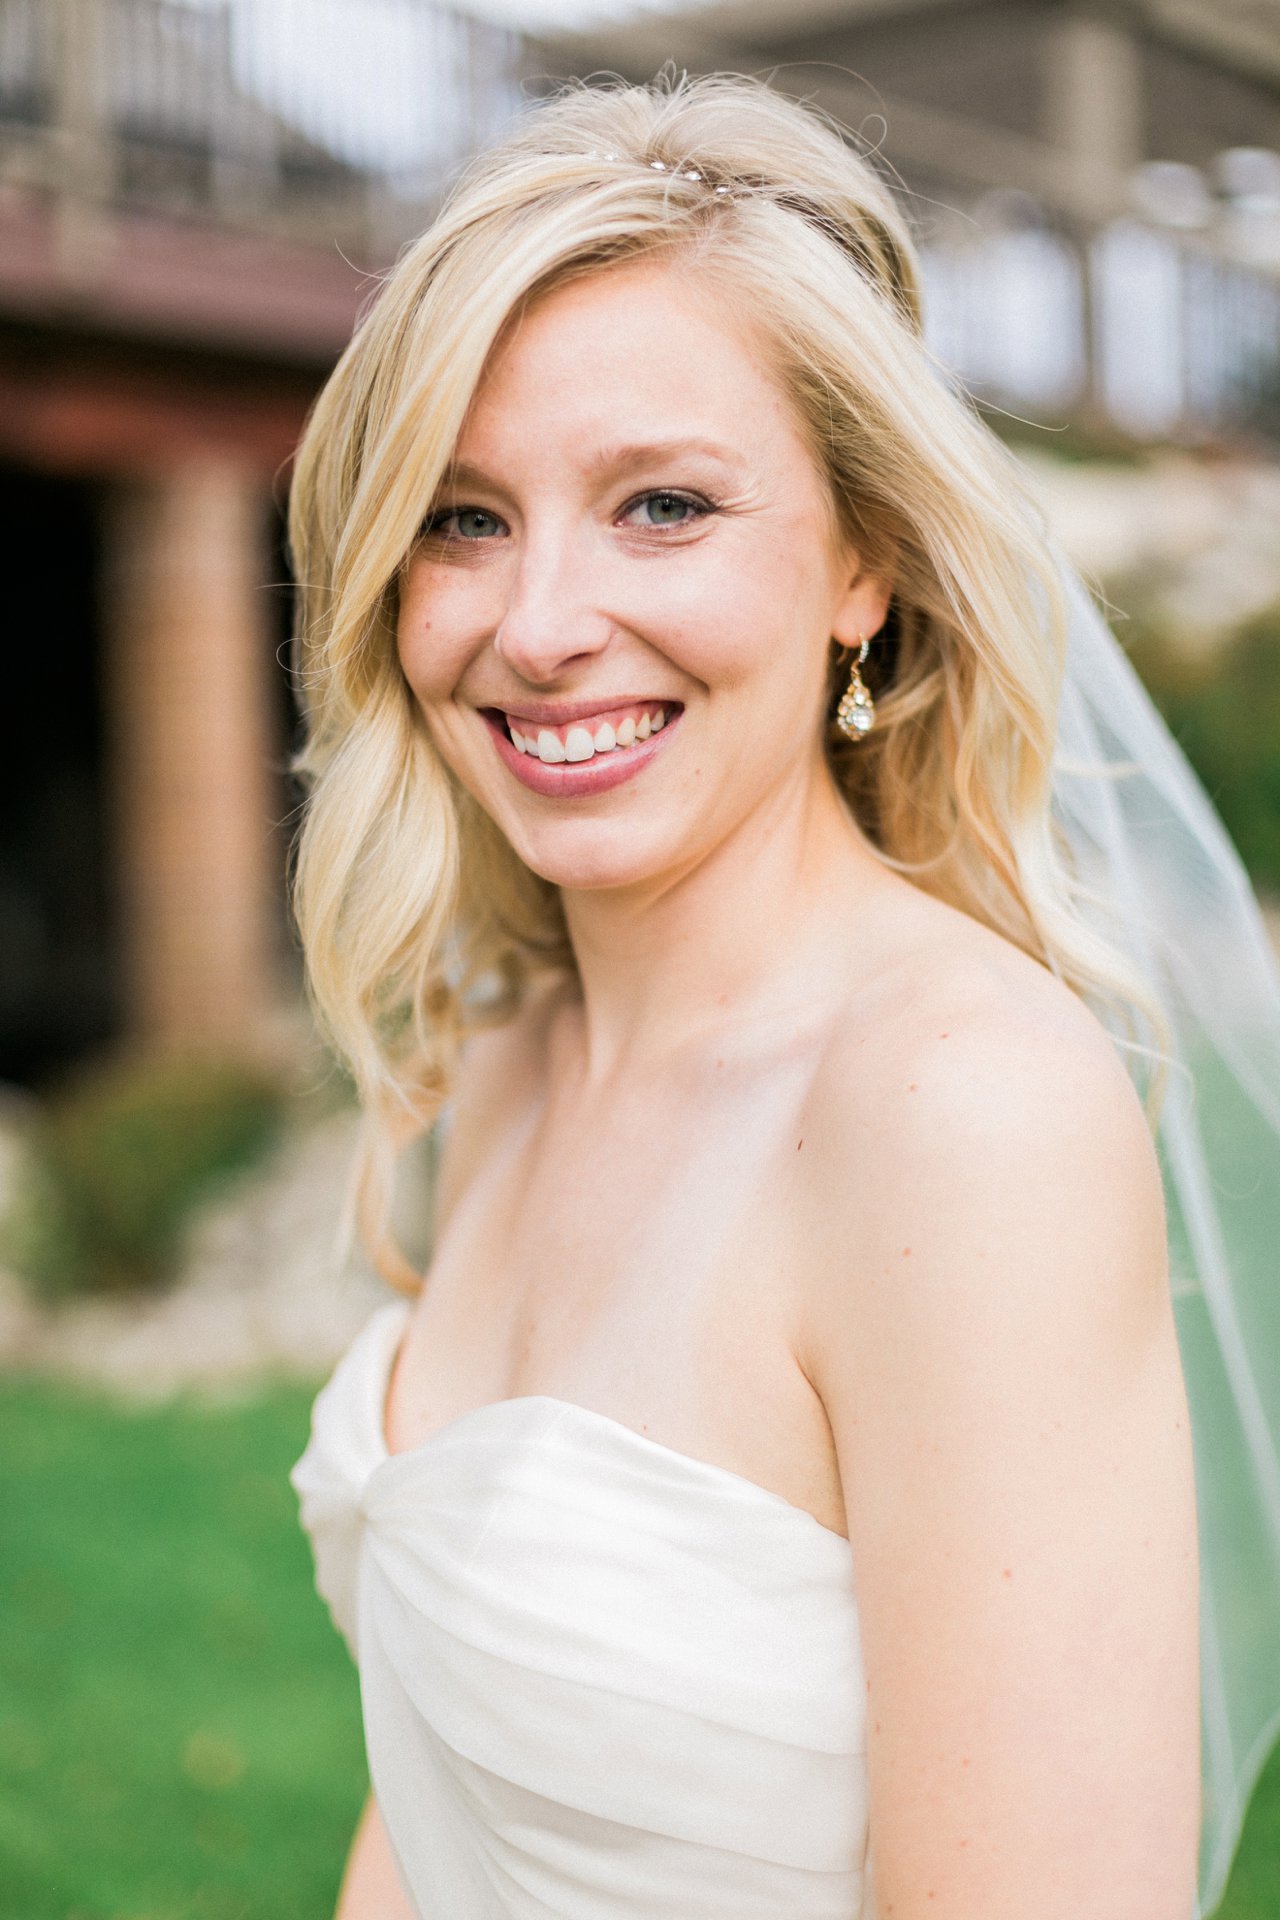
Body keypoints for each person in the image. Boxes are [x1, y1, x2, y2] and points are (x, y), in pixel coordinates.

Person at [285, 71, 1276, 1920]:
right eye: (462, 518)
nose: (538, 624)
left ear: (862, 563)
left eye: (662, 505)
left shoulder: (958, 1115)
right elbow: (440, 1783)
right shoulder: (508, 1049)